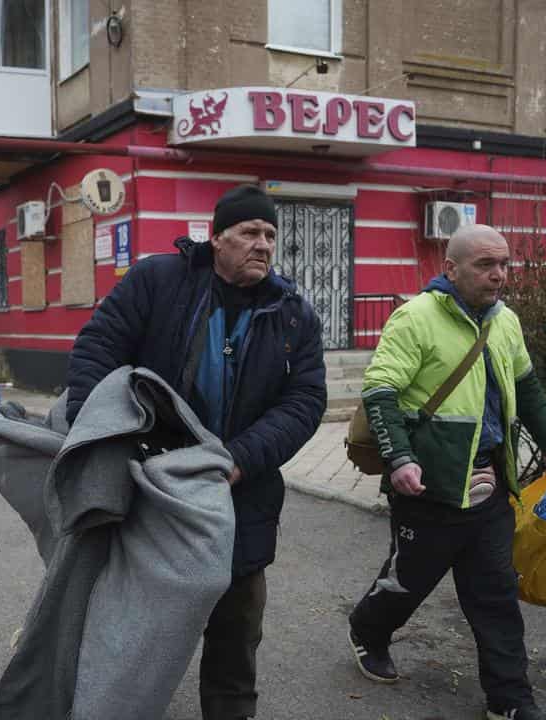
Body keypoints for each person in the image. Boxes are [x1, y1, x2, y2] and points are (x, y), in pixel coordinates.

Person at [65, 184, 327, 720]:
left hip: (239, 492)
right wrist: (97, 438)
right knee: (130, 618)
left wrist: (239, 459)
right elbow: (99, 349)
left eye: (271, 235)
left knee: (237, 625)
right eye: (250, 232)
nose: (264, 245)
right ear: (217, 238)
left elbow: (305, 400)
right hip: (149, 482)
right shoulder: (158, 282)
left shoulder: (292, 312)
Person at [348, 224, 546, 720]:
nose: (499, 276)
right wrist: (401, 458)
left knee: (495, 594)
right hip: (429, 486)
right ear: (450, 268)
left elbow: (528, 388)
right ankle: (367, 629)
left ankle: (510, 700)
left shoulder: (506, 322)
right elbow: (381, 390)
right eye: (485, 265)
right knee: (409, 582)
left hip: (490, 486)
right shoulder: (416, 318)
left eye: (504, 265)